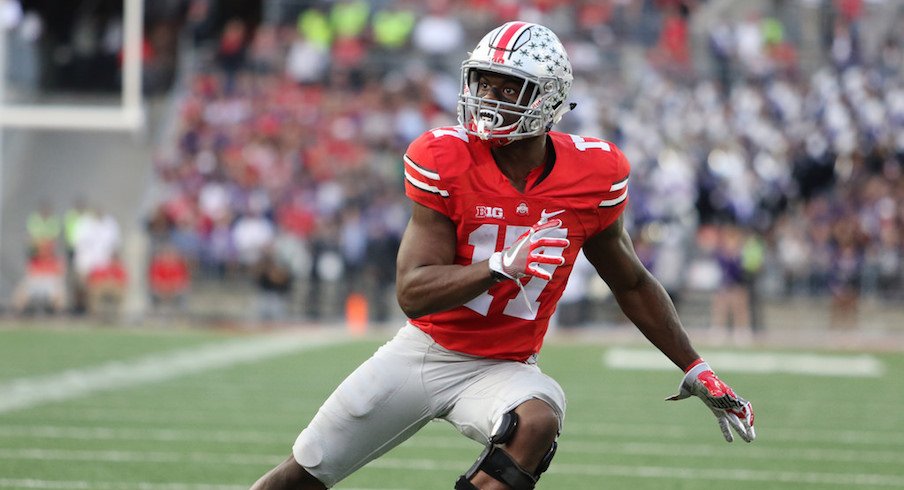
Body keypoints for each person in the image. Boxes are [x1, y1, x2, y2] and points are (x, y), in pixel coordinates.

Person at [252, 21, 755, 490]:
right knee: (298, 478)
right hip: (424, 352)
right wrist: (498, 266)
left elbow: (631, 283)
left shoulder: (591, 176)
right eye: (484, 83)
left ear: (550, 97)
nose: (488, 99)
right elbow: (412, 291)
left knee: (537, 419)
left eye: (507, 88)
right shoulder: (444, 158)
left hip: (504, 366)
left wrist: (694, 367)